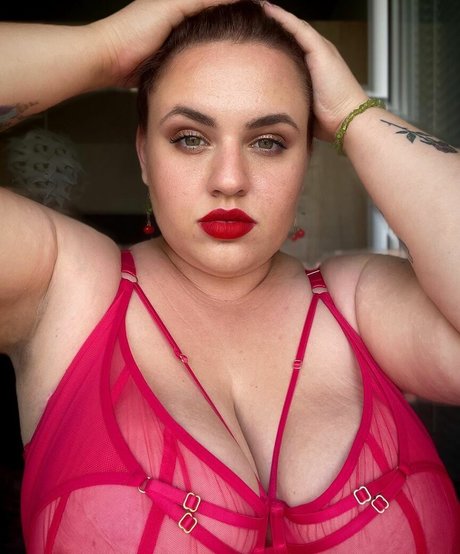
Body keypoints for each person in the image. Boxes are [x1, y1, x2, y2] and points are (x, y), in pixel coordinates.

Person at [0, 0, 459, 551]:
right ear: (144, 153)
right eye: (190, 137)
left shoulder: (358, 302)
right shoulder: (63, 284)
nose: (229, 179)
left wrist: (351, 114)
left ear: (305, 161)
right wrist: (105, 50)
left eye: (269, 142)